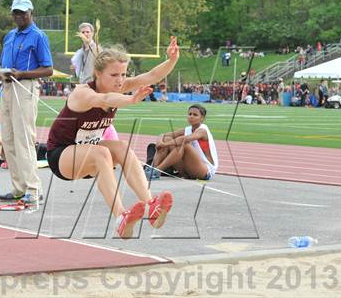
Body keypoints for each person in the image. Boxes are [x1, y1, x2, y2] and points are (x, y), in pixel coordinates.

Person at [46, 36, 179, 239]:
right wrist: (131, 99)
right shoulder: (83, 93)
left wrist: (171, 60)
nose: (120, 80)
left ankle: (151, 206)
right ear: (98, 74)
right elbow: (104, 99)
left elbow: (151, 76)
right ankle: (120, 218)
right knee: (101, 153)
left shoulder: (120, 87)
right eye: (114, 74)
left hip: (87, 152)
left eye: (124, 74)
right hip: (61, 156)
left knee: (121, 147)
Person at [0, 0, 53, 203]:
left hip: (25, 87)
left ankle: (33, 188)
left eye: (23, 12)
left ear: (32, 13)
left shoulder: (38, 36)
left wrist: (22, 74)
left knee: (24, 138)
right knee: (8, 138)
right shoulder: (10, 36)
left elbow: (47, 68)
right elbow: (6, 63)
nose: (19, 16)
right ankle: (19, 187)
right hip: (7, 86)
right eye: (16, 12)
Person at [71, 21, 119, 141]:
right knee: (83, 116)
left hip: (94, 87)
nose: (85, 34)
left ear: (92, 33)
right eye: (83, 32)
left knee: (97, 117)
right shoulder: (81, 51)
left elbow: (101, 60)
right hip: (83, 86)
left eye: (87, 32)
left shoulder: (96, 48)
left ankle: (109, 139)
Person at [147, 104, 218, 182]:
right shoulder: (187, 129)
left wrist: (164, 144)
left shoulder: (203, 130)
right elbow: (163, 135)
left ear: (202, 118)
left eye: (195, 115)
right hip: (189, 169)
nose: (191, 116)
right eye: (190, 114)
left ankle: (157, 170)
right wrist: (160, 142)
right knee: (167, 139)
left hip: (205, 171)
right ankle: (152, 168)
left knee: (183, 145)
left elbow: (184, 139)